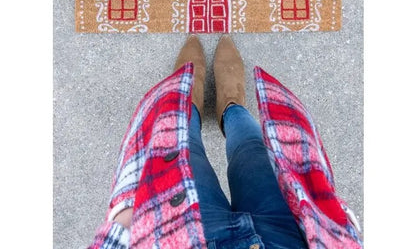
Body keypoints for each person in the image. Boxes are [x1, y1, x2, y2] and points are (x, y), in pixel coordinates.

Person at [88, 35, 362, 249]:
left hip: (180, 236)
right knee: (254, 149)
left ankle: (189, 102)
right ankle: (231, 104)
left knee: (182, 148)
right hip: (291, 237)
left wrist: (126, 224)